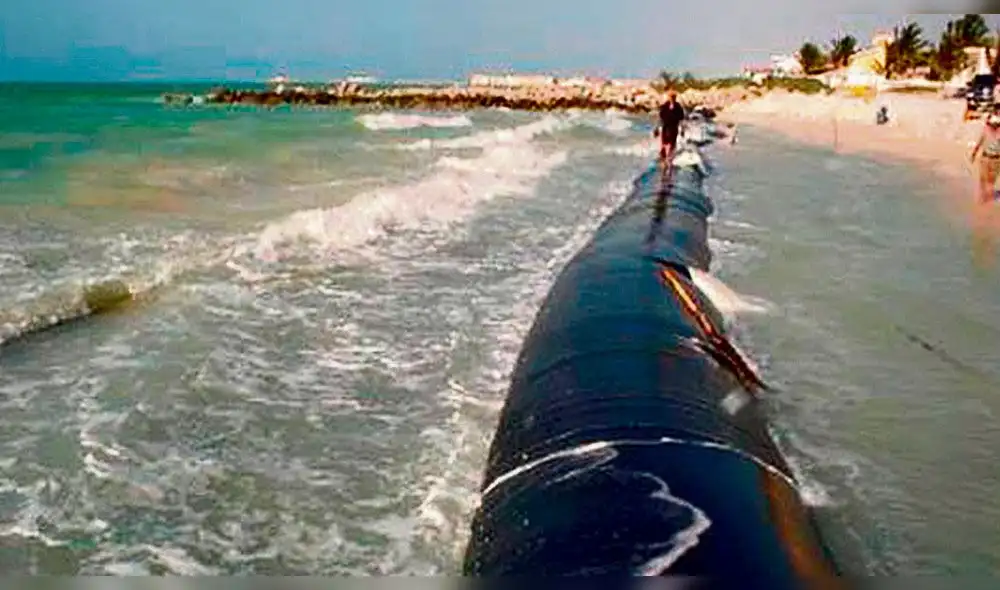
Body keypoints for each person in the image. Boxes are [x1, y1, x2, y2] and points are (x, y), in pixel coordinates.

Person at [968, 107, 1000, 204]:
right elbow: (979, 142)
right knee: (982, 179)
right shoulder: (985, 130)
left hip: (996, 159)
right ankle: (982, 200)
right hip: (985, 157)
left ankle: (988, 200)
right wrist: (973, 154)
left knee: (990, 181)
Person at [655, 90, 685, 160]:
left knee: (672, 144)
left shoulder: (678, 107)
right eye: (671, 97)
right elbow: (660, 118)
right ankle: (663, 156)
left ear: (675, 97)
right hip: (665, 127)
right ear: (668, 97)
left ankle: (670, 158)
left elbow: (681, 119)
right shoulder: (665, 106)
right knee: (663, 144)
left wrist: (683, 130)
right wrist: (656, 128)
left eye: (673, 97)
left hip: (674, 128)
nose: (672, 98)